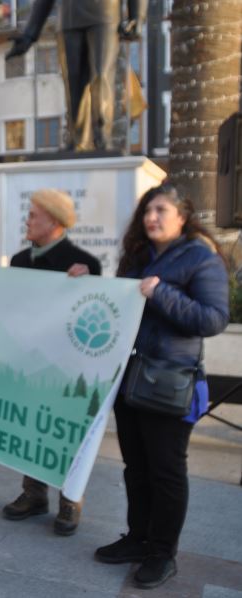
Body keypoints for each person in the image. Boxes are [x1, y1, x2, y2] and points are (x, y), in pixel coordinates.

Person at [95, 184, 228, 589]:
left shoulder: (200, 259)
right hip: (130, 380)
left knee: (166, 472)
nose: (151, 218)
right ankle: (138, 538)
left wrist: (162, 293)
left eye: (161, 210)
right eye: (147, 211)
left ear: (182, 216)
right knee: (136, 467)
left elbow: (212, 320)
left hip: (170, 381)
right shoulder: (139, 257)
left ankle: (162, 553)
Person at [0, 189, 101, 536]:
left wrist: (88, 282)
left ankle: (69, 501)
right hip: (28, 362)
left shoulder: (83, 263)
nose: (27, 221)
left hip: (66, 367)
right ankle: (34, 494)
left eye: (33, 215)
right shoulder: (19, 260)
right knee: (30, 427)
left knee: (65, 431)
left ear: (55, 222)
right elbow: (3, 305)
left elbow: (94, 310)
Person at [7, 0, 147, 151]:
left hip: (105, 14)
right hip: (69, 18)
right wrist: (30, 33)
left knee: (101, 77)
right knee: (73, 81)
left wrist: (137, 16)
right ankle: (77, 139)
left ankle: (102, 138)